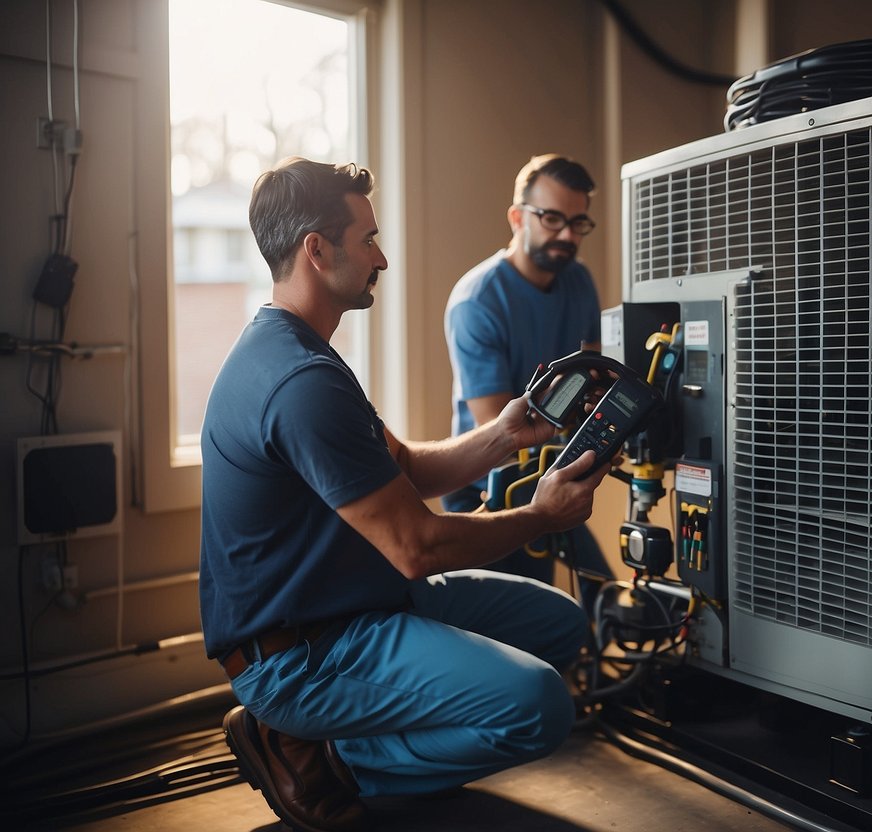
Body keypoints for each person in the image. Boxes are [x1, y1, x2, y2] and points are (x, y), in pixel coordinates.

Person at [199, 156, 609, 832]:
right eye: (367, 241)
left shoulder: (305, 354)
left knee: (559, 624)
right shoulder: (297, 380)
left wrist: (505, 436)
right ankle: (322, 760)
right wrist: (539, 515)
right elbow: (416, 546)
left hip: (355, 602)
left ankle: (385, 742)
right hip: (302, 652)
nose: (381, 258)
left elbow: (408, 468)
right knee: (540, 706)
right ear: (315, 249)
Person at [442, 154, 611, 594]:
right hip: (487, 489)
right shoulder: (476, 302)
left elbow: (593, 377)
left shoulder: (579, 282)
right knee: (522, 629)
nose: (568, 235)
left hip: (551, 475)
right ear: (518, 217)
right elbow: (499, 428)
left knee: (601, 598)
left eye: (578, 223)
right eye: (552, 218)